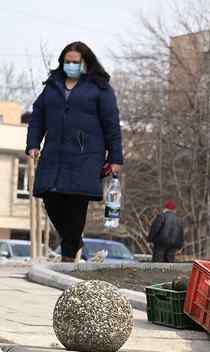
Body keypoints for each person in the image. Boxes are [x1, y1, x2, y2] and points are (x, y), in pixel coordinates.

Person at [26, 42, 123, 262]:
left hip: (86, 157)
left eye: (75, 62)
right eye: (67, 61)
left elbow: (111, 123)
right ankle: (75, 243)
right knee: (50, 200)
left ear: (85, 63)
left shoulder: (100, 88)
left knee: (75, 207)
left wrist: (115, 156)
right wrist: (33, 143)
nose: (70, 65)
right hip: (54, 156)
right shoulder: (52, 86)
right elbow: (37, 116)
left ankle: (68, 258)